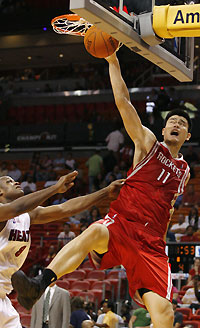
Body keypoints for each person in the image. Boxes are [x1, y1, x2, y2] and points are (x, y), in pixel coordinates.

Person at [11, 52, 192, 328]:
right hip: (122, 225)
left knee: (164, 315)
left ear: (187, 136)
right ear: (164, 128)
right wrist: (112, 61)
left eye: (183, 124)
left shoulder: (185, 172)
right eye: (173, 122)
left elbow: (166, 210)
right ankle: (39, 284)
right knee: (94, 230)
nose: (177, 124)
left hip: (152, 243)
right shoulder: (148, 143)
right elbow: (123, 103)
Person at [0, 171, 123, 328]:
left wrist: (105, 192)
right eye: (9, 181)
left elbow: (65, 208)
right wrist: (55, 188)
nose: (16, 182)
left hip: (3, 298)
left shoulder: (26, 215)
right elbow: (18, 206)